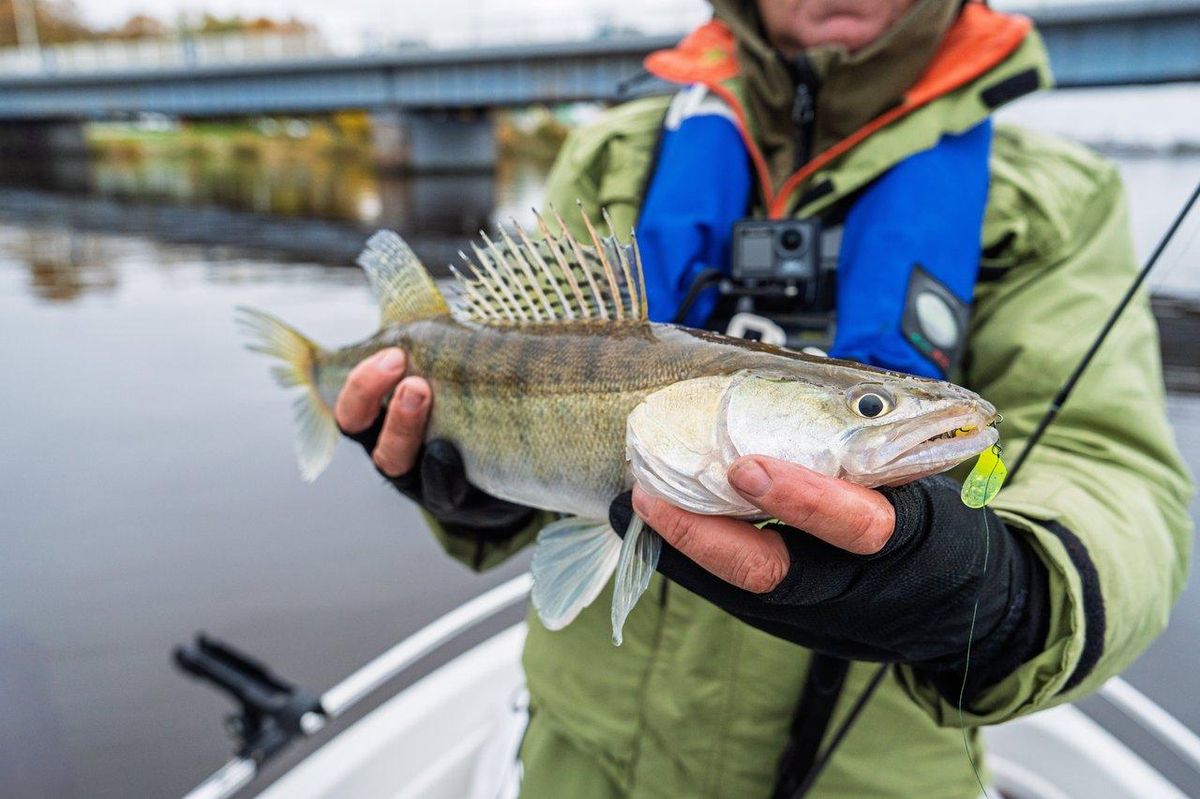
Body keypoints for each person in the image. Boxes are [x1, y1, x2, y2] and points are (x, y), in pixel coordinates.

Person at [335, 0, 1194, 796]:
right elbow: (518, 406)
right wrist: (476, 499)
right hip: (583, 762)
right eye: (867, 408)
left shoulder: (1054, 201)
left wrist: (1006, 595)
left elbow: (1113, 472)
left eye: (867, 410)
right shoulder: (613, 154)